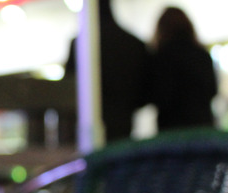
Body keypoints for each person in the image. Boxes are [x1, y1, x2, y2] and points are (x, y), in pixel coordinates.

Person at [65, 0, 149, 142]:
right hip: (124, 125)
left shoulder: (81, 43)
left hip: (89, 127)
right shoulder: (133, 44)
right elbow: (146, 92)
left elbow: (69, 87)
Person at [148, 7, 217, 131]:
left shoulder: (161, 57)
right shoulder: (202, 55)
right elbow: (213, 91)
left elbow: (157, 96)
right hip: (202, 126)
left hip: (171, 130)